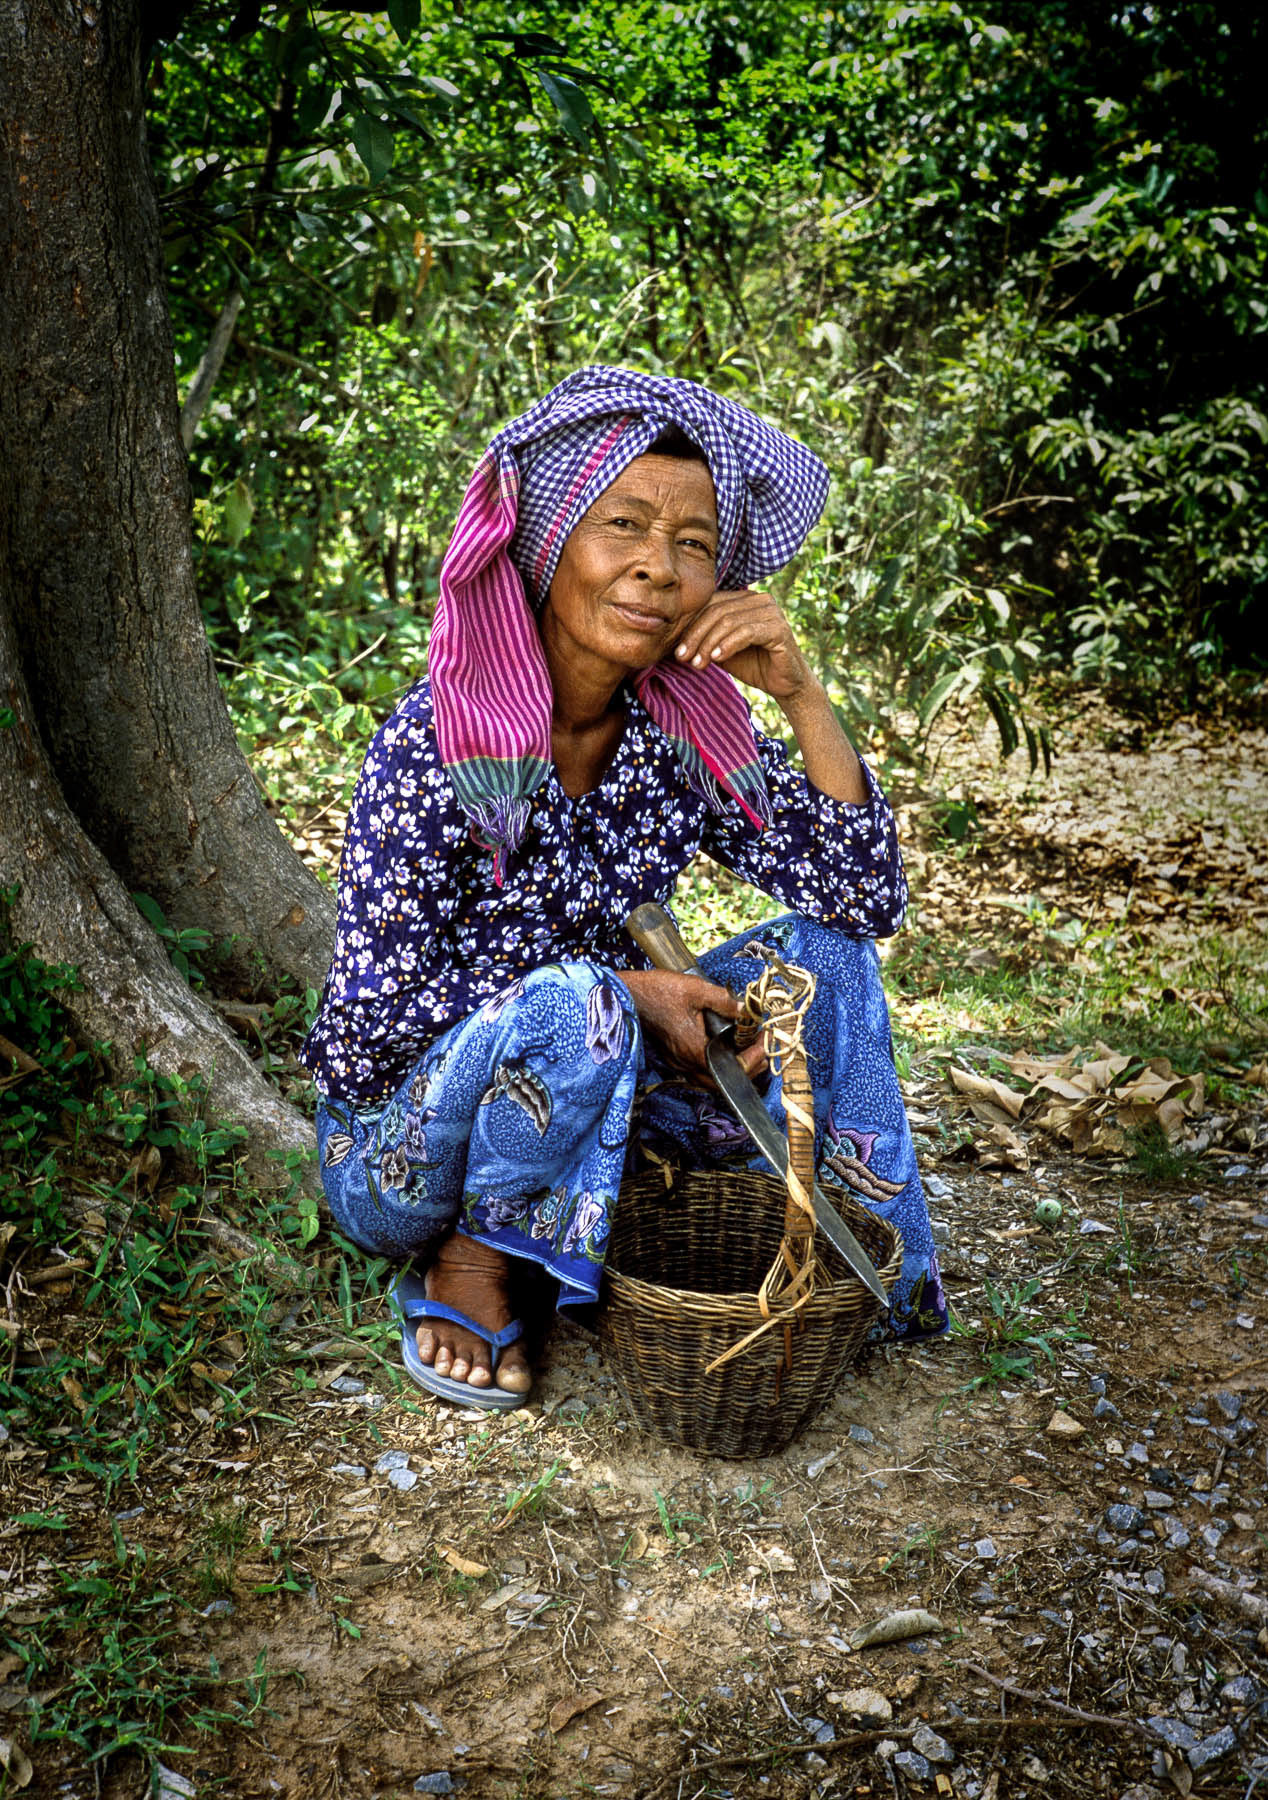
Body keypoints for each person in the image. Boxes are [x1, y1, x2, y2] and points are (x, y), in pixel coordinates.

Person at [300, 365, 947, 1411]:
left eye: (693, 545)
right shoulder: (434, 746)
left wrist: (796, 687)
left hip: (602, 1102)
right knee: (576, 1002)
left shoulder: (673, 732)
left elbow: (858, 894)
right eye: (625, 527)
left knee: (823, 960)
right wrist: (616, 999)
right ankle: (474, 1262)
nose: (657, 567)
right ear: (549, 542)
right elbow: (372, 1032)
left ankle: (856, 1263)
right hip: (401, 1157)